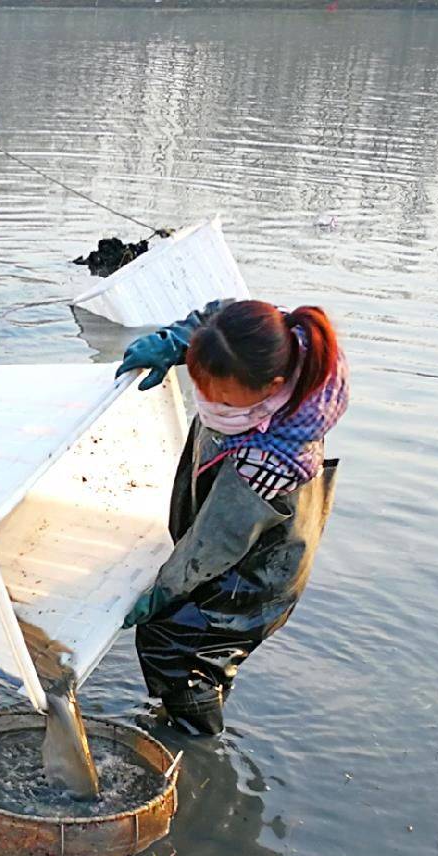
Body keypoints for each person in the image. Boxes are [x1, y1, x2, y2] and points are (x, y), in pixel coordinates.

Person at [116, 298, 349, 736]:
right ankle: (199, 701)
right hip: (233, 526)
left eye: (219, 392)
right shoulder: (273, 339)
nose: (207, 398)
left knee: (174, 643)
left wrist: (160, 593)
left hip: (255, 571)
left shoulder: (270, 458)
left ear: (270, 386)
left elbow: (213, 544)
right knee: (198, 647)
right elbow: (218, 316)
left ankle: (196, 742)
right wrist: (177, 341)